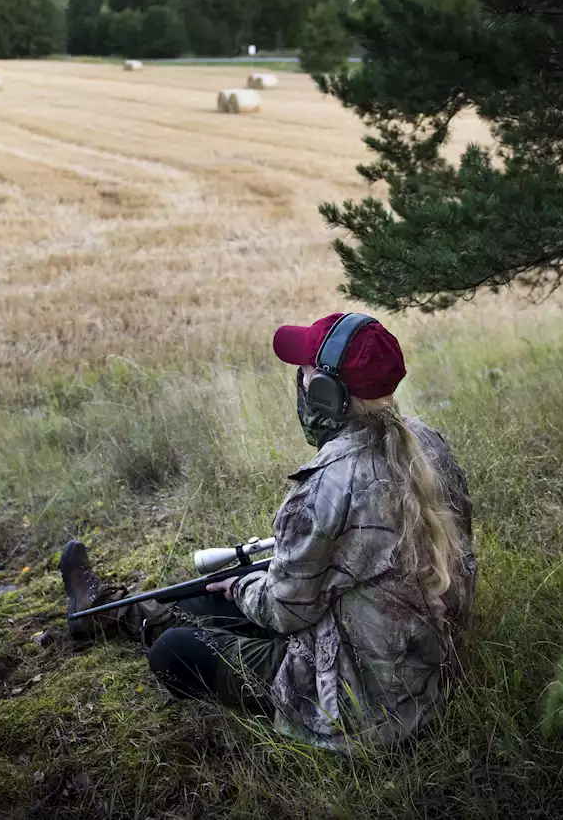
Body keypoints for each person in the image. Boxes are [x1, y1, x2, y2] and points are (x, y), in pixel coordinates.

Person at [58, 312, 477, 750]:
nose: (298, 379)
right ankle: (109, 612)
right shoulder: (426, 443)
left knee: (175, 650)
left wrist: (243, 588)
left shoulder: (323, 487)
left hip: (364, 710)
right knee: (208, 595)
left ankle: (114, 615)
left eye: (306, 373)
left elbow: (284, 613)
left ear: (326, 394)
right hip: (429, 673)